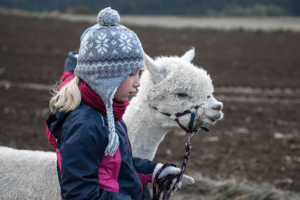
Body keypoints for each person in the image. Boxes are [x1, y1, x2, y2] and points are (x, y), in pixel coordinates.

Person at [46, 7, 193, 200]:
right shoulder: (84, 125)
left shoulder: (110, 115)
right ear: (106, 77)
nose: (138, 82)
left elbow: (119, 167)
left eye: (139, 73)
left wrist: (155, 171)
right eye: (131, 74)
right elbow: (79, 195)